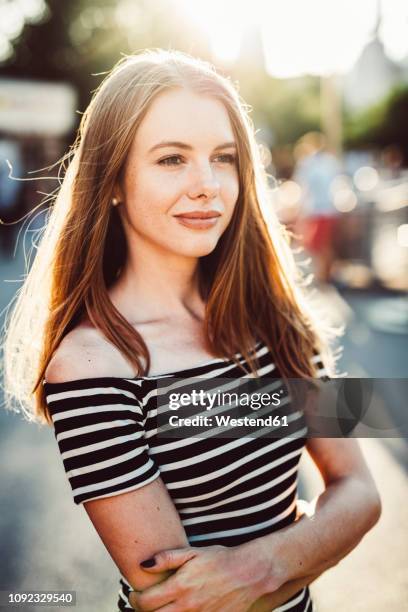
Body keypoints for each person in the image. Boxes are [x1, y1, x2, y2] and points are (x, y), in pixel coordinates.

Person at [3, 50, 381, 612]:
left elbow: (362, 493)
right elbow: (175, 594)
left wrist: (263, 563)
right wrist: (309, 541)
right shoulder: (89, 363)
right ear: (112, 182)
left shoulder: (275, 312)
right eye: (171, 159)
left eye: (224, 157)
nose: (207, 185)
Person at [293, 132, 342, 284]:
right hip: (327, 209)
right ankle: (325, 274)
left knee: (317, 245)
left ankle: (324, 275)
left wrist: (299, 210)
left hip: (317, 210)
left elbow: (302, 188)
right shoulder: (329, 162)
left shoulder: (308, 164)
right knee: (321, 245)